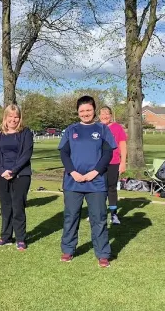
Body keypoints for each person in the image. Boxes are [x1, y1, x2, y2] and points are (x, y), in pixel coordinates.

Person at [58, 96, 116, 268]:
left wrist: (95, 172)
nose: (85, 113)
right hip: (73, 182)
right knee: (71, 216)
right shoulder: (71, 130)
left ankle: (103, 253)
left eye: (88, 110)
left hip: (96, 182)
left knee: (98, 218)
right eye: (82, 111)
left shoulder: (103, 129)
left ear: (94, 110)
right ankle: (68, 250)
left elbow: (107, 154)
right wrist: (73, 172)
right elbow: (64, 153)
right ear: (78, 112)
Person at [0, 105, 33, 251]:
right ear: (5, 117)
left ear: (20, 118)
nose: (13, 119)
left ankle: (20, 238)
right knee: (5, 206)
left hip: (21, 174)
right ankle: (5, 237)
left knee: (18, 206)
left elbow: (26, 153)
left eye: (16, 117)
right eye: (11, 116)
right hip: (0, 175)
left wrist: (13, 170)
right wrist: (2, 170)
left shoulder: (25, 132)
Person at [99, 106, 127, 225]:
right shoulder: (96, 127)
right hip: (98, 164)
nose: (105, 116)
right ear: (98, 116)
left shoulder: (117, 127)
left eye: (107, 114)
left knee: (111, 188)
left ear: (111, 115)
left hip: (114, 162)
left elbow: (123, 145)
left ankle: (114, 214)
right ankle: (98, 213)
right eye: (102, 114)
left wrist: (123, 162)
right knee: (99, 189)